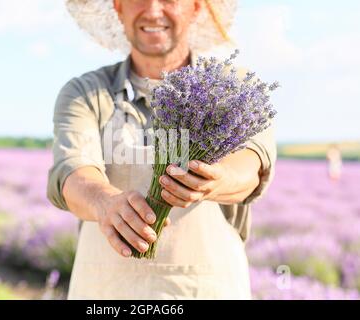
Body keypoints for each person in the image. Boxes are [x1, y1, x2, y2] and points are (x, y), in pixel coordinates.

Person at [47, 0, 277, 299]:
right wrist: (105, 203)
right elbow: (71, 172)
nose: (153, 10)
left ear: (196, 7)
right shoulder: (87, 93)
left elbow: (251, 166)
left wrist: (213, 179)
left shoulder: (234, 92)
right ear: (118, 7)